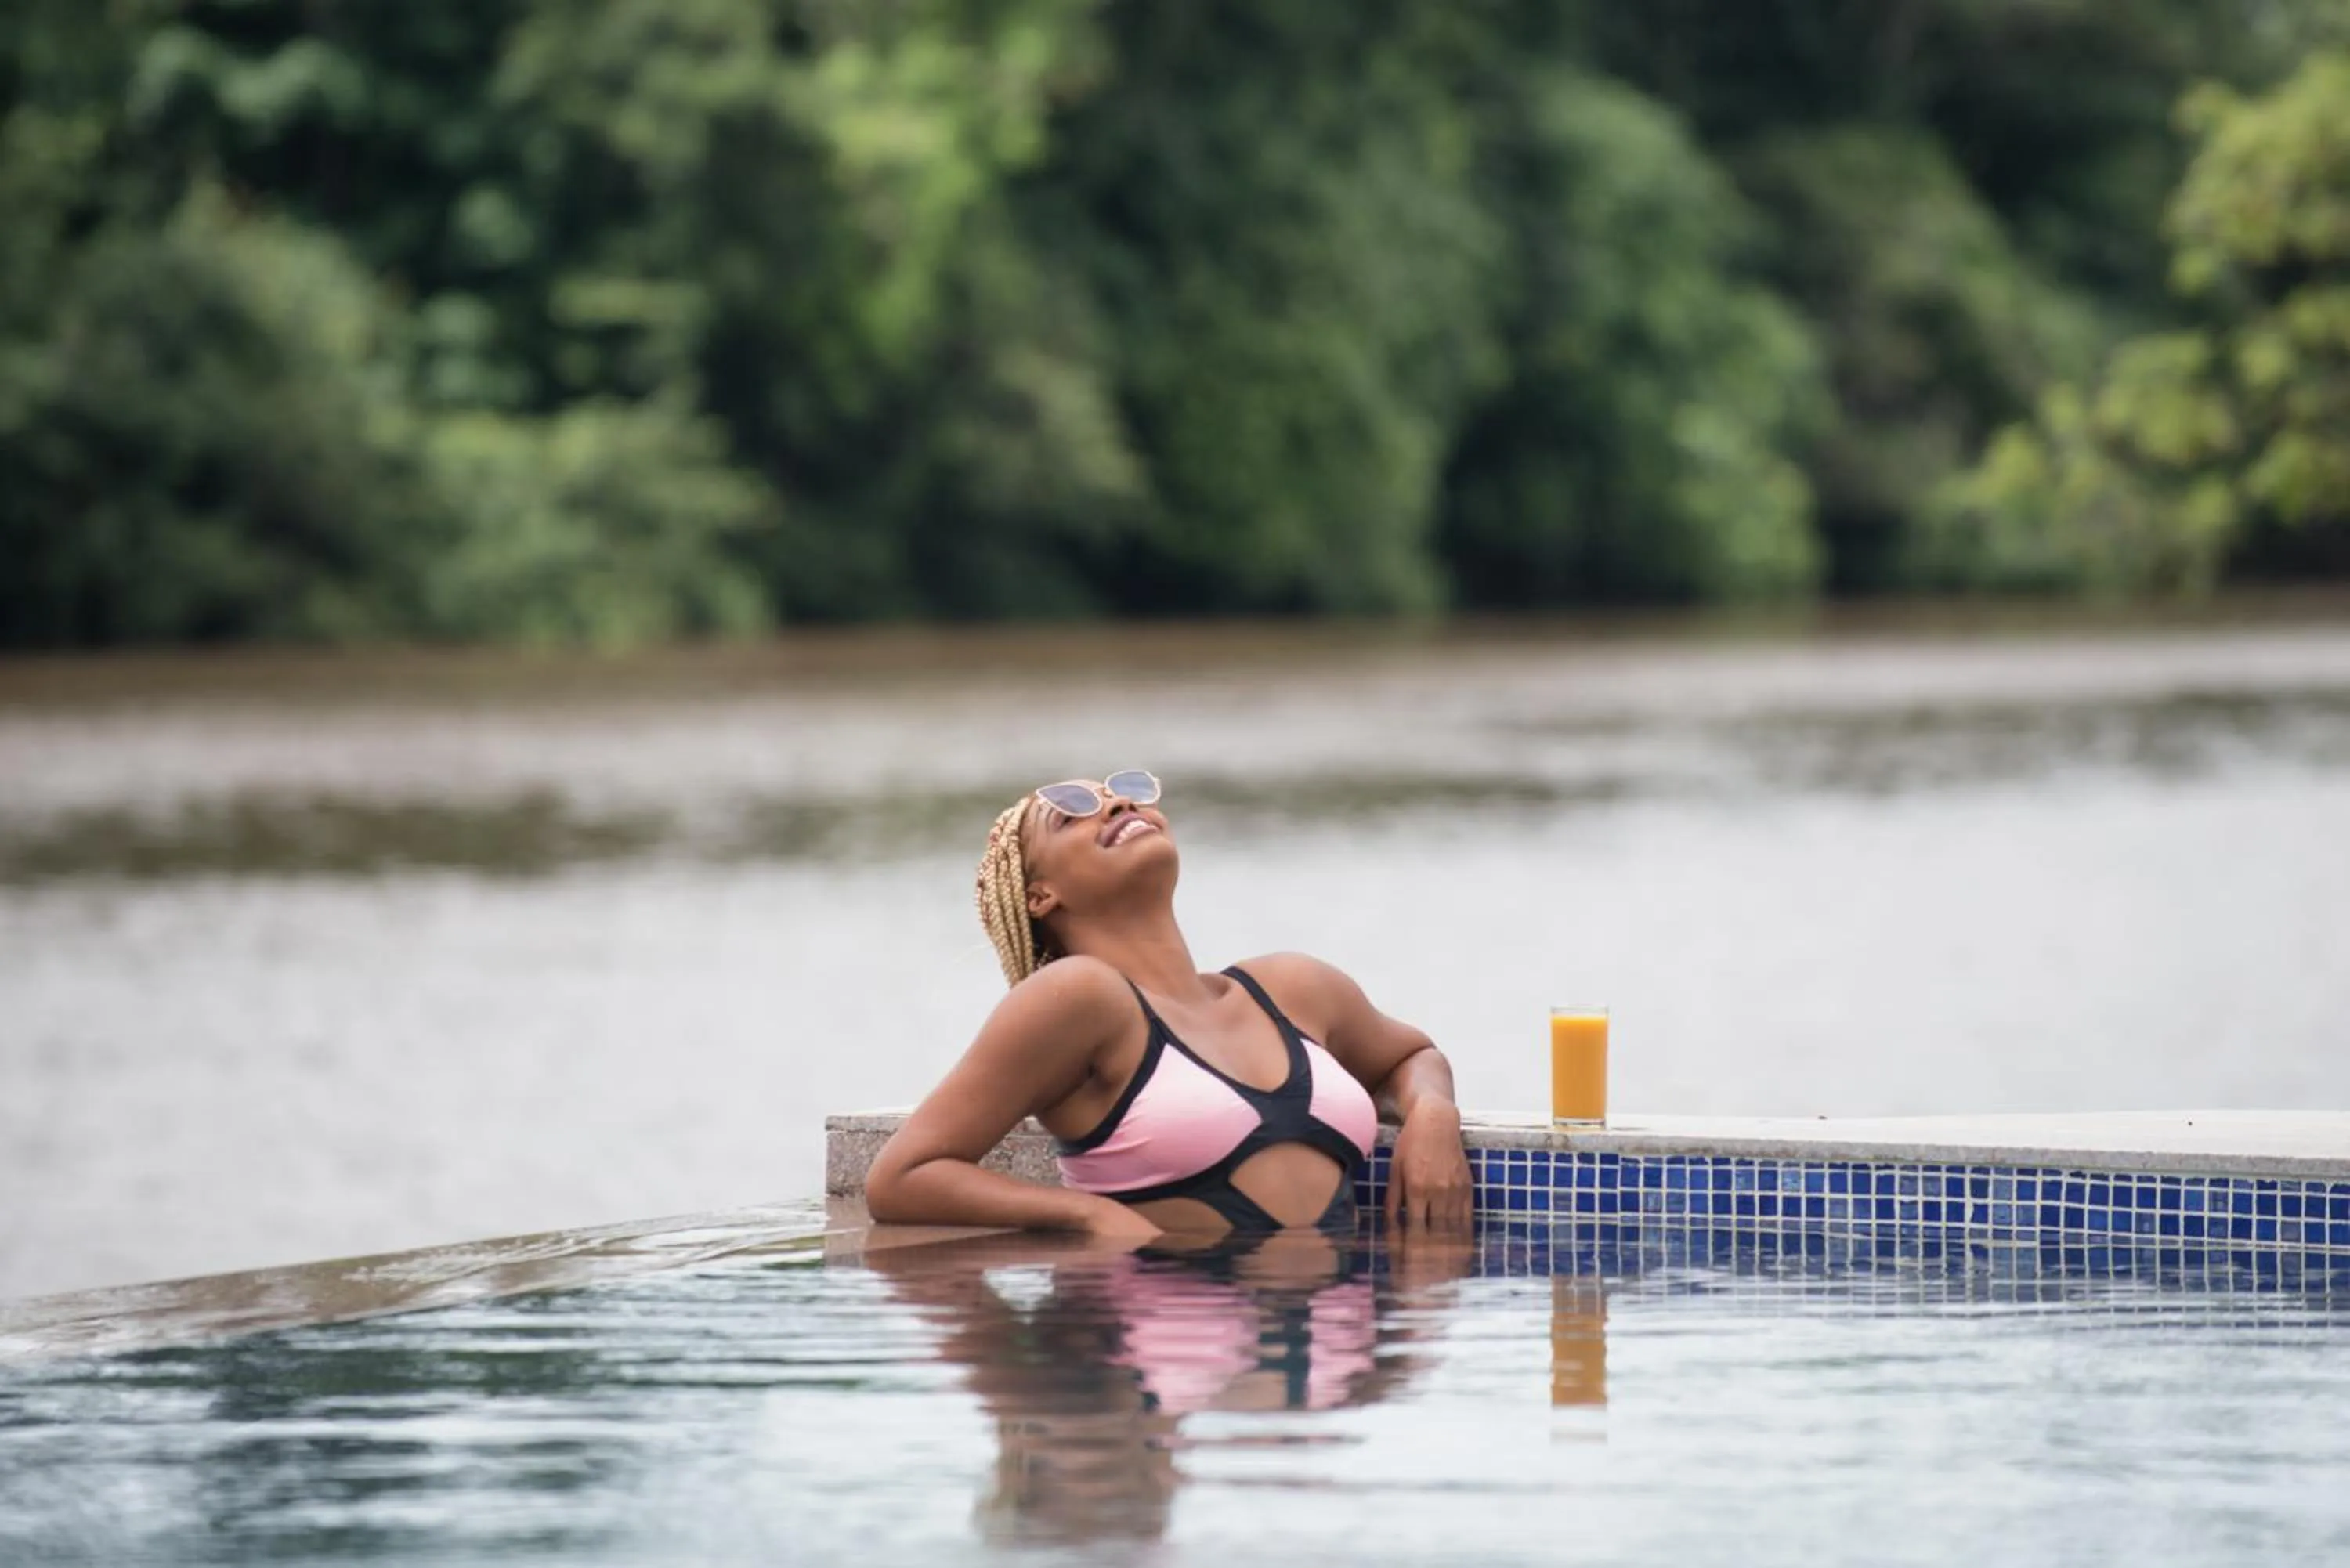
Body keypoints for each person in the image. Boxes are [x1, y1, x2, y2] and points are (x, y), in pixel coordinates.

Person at [866, 769, 1473, 1239]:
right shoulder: (1076, 998)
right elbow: (901, 1179)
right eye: (1071, 815)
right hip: (1152, 1339)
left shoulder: (1293, 987)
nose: (1117, 805)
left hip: (1336, 1346)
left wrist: (1432, 1113)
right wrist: (1087, 1215)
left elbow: (1412, 1056)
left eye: (1125, 794)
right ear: (1040, 897)